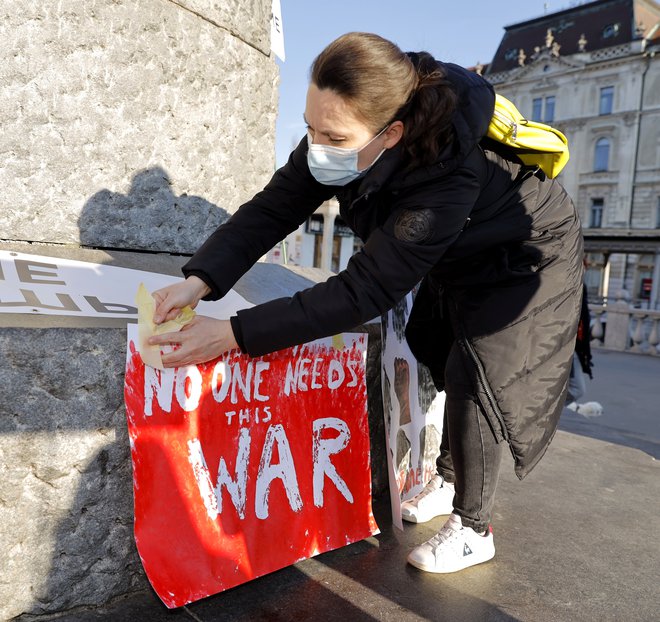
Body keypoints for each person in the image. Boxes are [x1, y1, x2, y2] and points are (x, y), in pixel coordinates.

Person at [149, 32, 584, 574]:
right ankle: (449, 479)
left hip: (525, 258)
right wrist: (200, 281)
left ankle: (474, 527)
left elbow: (365, 289)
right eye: (310, 127)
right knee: (439, 345)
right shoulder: (344, 138)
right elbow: (271, 209)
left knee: (480, 372)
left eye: (332, 135)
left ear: (392, 133)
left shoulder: (450, 169)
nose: (316, 146)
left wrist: (233, 333)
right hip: (456, 252)